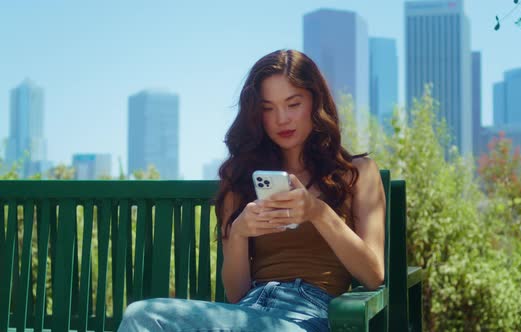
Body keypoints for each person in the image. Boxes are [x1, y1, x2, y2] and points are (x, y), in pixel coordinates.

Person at [118, 49, 385, 332]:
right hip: (248, 311)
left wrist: (318, 212)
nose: (281, 118)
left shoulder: (357, 172)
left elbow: (373, 275)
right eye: (268, 108)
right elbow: (236, 294)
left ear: (315, 102)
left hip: (309, 315)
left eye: (293, 104)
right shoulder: (240, 176)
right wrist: (239, 233)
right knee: (141, 315)